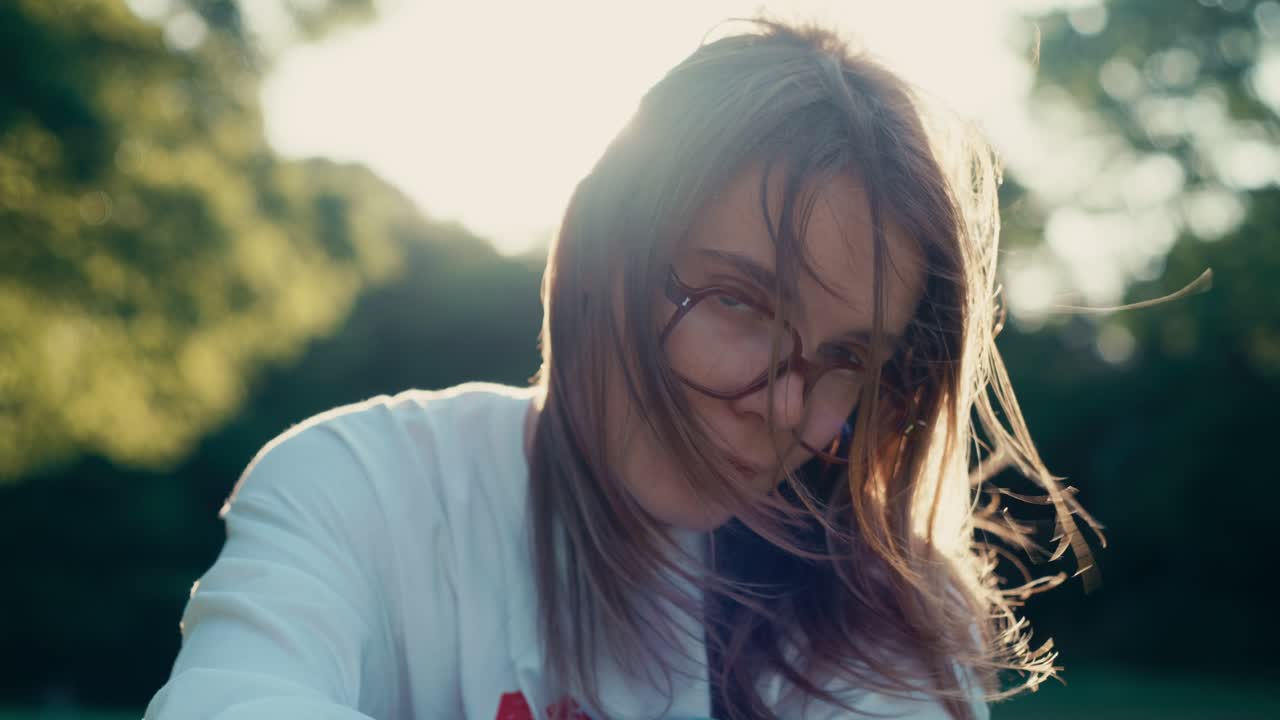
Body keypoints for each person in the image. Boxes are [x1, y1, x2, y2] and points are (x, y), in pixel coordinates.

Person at [146, 18, 1094, 720]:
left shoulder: (871, 613)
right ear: (604, 257)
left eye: (849, 357)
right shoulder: (365, 485)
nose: (785, 407)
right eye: (740, 301)